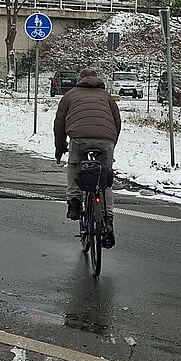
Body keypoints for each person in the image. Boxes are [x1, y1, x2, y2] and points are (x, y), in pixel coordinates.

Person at [53, 67, 123, 246]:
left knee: (75, 166)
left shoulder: (69, 95)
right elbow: (117, 122)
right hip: (106, 139)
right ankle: (107, 222)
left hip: (79, 138)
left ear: (80, 80)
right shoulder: (106, 96)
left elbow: (59, 124)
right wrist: (111, 142)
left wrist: (60, 147)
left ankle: (74, 202)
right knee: (105, 180)